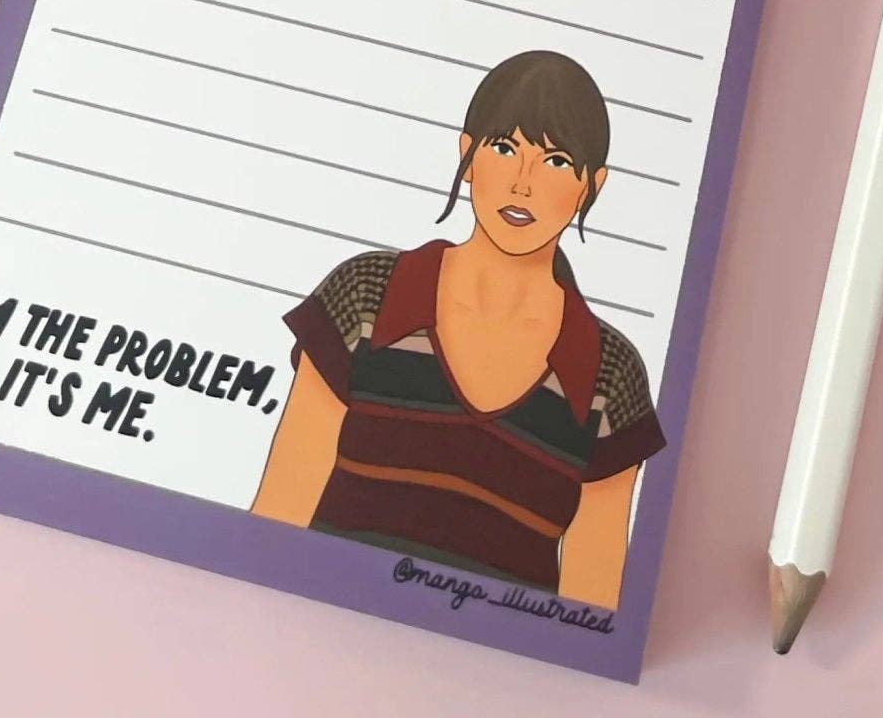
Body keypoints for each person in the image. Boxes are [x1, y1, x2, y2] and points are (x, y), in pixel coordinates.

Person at [250, 49, 665, 609]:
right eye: (504, 149)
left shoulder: (610, 374)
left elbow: (590, 606)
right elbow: (276, 524)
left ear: (593, 185)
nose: (522, 184)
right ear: (468, 154)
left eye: (556, 161)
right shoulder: (366, 296)